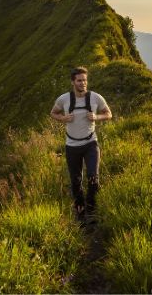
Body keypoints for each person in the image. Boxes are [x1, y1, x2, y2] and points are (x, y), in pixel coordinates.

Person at [50, 67, 112, 221]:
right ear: (73, 82)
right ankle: (80, 214)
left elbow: (108, 114)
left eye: (85, 80)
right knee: (76, 182)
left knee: (93, 177)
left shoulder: (96, 97)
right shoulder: (63, 99)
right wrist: (63, 118)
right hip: (72, 146)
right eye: (79, 80)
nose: (83, 83)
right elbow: (53, 113)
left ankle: (92, 209)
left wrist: (96, 117)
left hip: (91, 144)